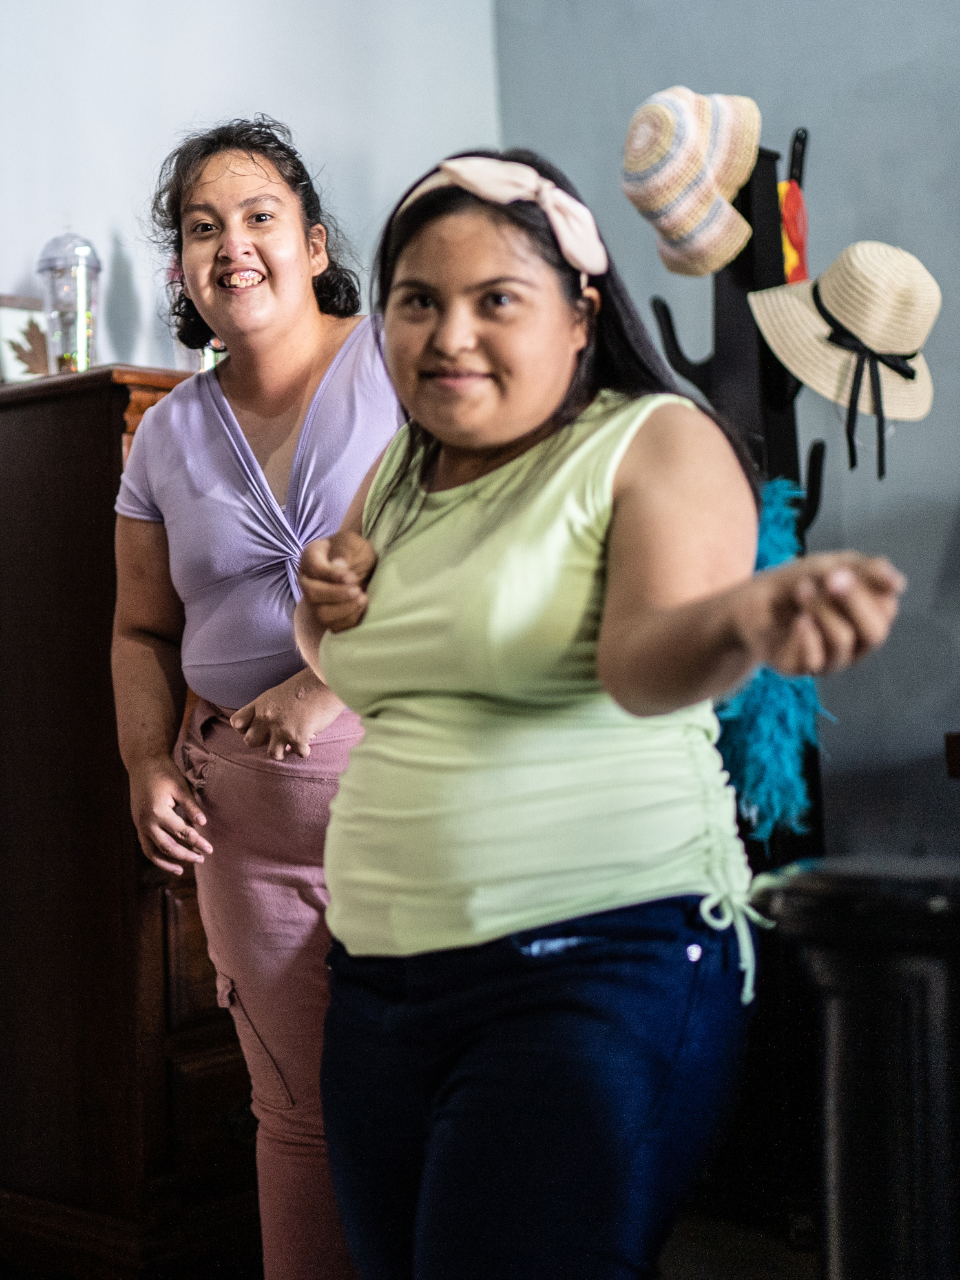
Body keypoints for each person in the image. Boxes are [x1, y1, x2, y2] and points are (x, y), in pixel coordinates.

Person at [293, 150, 904, 1280]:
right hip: (379, 980)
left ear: (580, 314)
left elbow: (642, 660)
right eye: (418, 301)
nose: (448, 336)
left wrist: (747, 618)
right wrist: (317, 599)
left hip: (588, 967)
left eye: (496, 300)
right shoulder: (397, 475)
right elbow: (352, 656)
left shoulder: (650, 441)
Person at [111, 117, 400, 1280]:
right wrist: (144, 761)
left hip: (413, 794)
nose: (231, 245)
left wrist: (325, 685)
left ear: (315, 239)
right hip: (248, 836)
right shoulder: (162, 435)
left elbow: (478, 553)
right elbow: (140, 626)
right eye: (199, 228)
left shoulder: (402, 357)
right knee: (295, 1122)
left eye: (259, 216)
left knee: (435, 1098)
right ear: (180, 267)